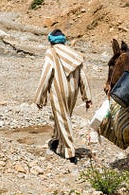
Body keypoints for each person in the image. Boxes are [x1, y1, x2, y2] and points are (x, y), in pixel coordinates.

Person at [34, 29, 92, 164]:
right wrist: (87, 97)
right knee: (61, 117)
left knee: (63, 118)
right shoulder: (74, 54)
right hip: (73, 91)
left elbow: (46, 75)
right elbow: (83, 76)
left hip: (58, 90)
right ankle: (56, 140)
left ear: (50, 41)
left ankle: (70, 153)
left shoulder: (51, 53)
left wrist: (40, 98)